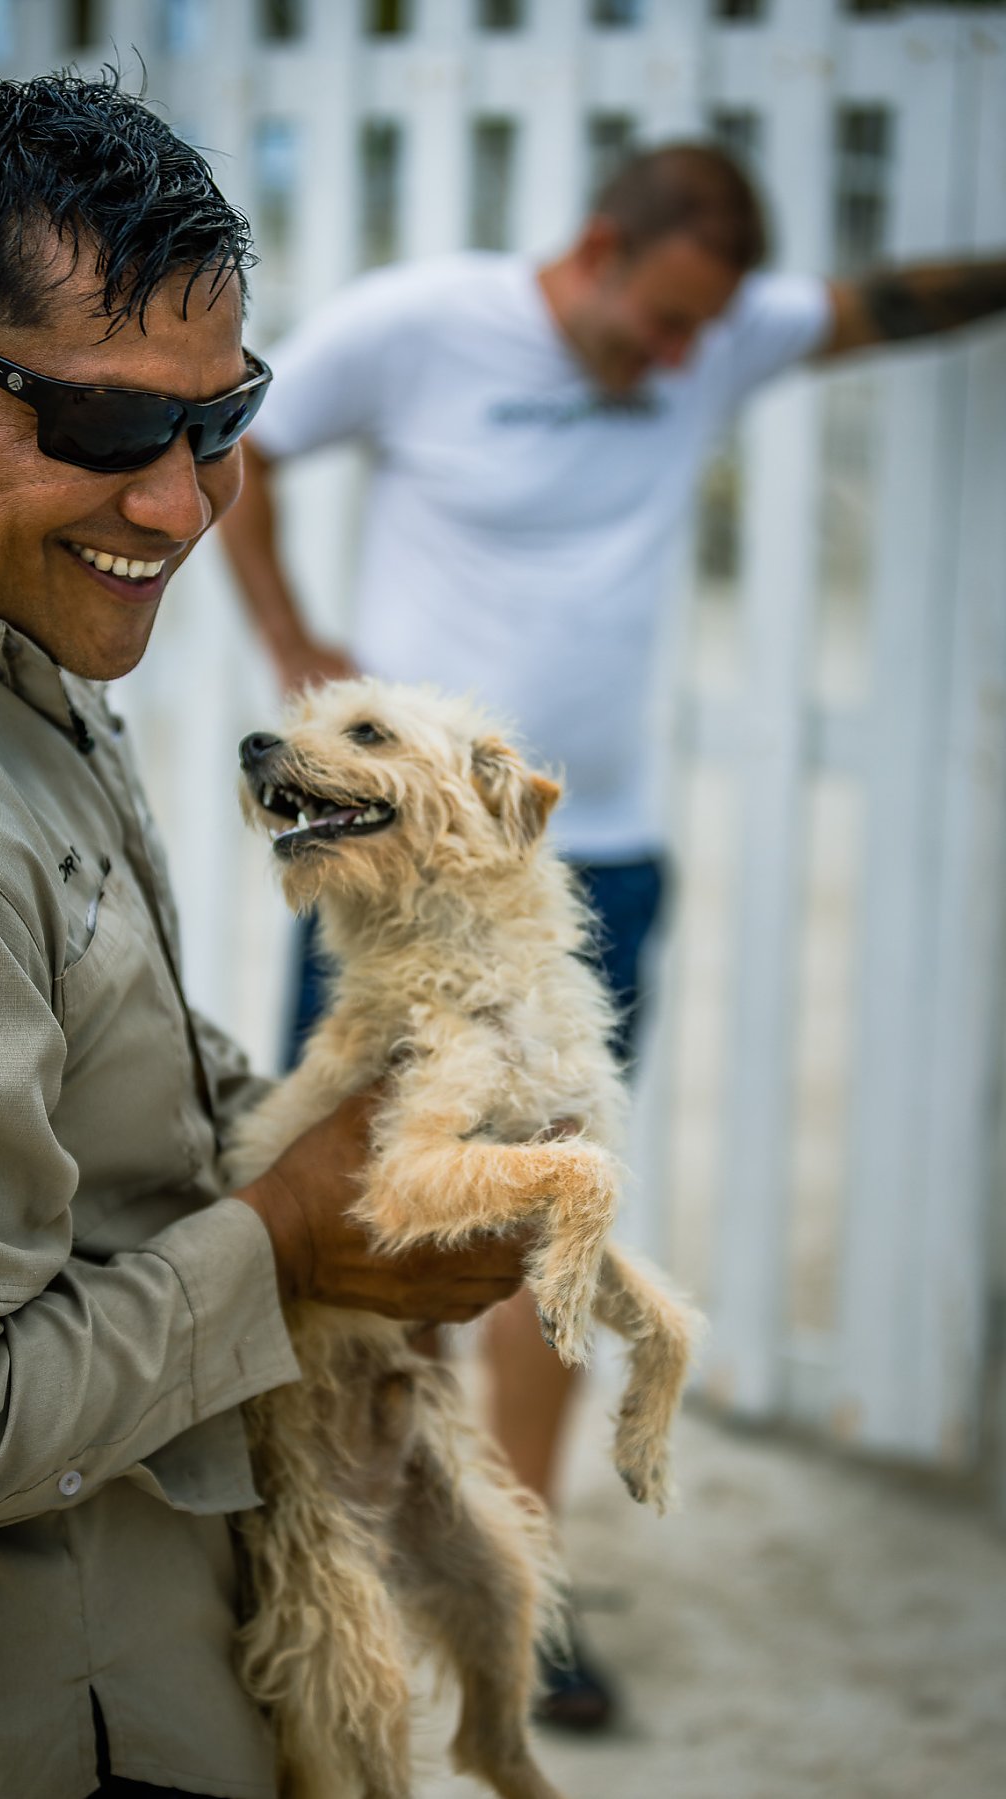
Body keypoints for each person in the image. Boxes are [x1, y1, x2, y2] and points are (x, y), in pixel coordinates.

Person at [0, 74, 535, 1799]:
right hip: (17, 1719)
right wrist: (285, 1241)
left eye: (223, 423)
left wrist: (357, 1149)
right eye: (106, 427)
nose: (178, 505)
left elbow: (100, 1061)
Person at [219, 142, 1006, 1729]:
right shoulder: (423, 322)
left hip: (604, 871)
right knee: (376, 1215)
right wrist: (299, 644)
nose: (682, 360)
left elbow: (892, 304)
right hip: (398, 876)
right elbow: (246, 445)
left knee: (552, 1224)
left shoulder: (714, 333)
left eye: (706, 332)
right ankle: (358, 1542)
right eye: (661, 321)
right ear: (595, 248)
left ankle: (525, 1564)